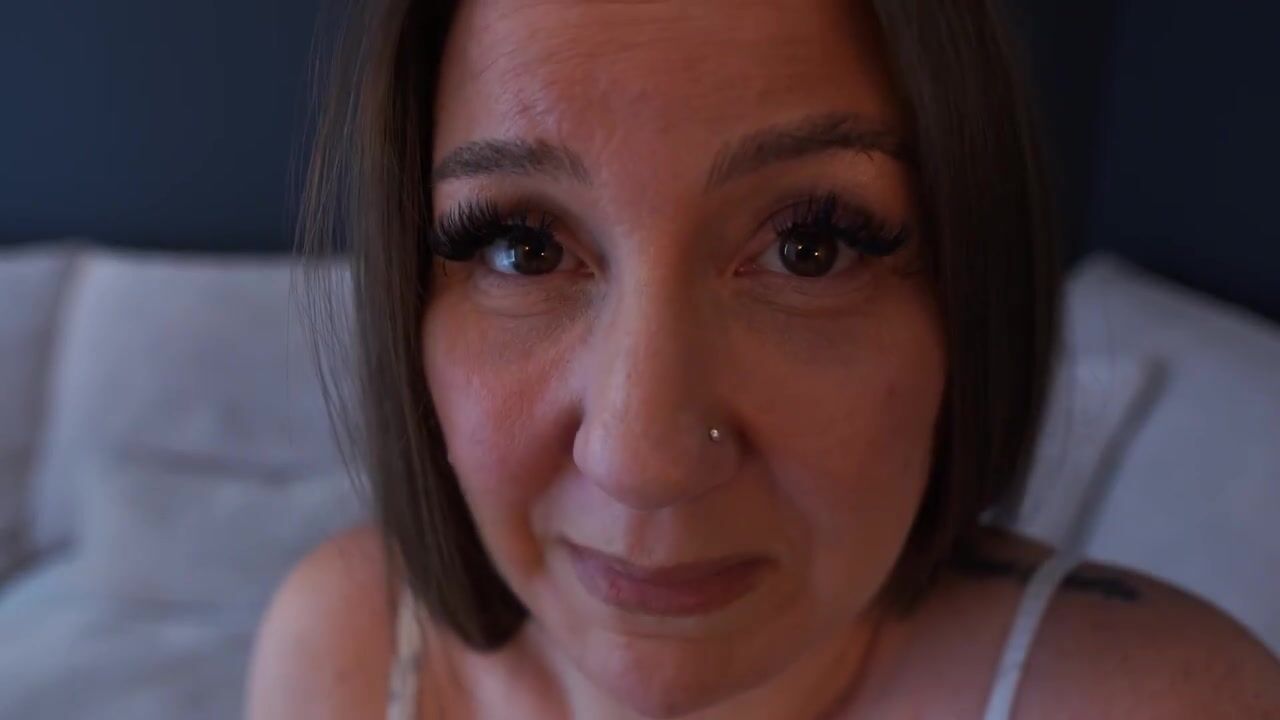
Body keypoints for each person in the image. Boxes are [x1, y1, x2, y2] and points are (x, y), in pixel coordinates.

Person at [246, 0, 1280, 717]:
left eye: (809, 248)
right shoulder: (351, 651)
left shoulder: (1164, 703)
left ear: (969, 294)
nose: (642, 459)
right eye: (524, 247)